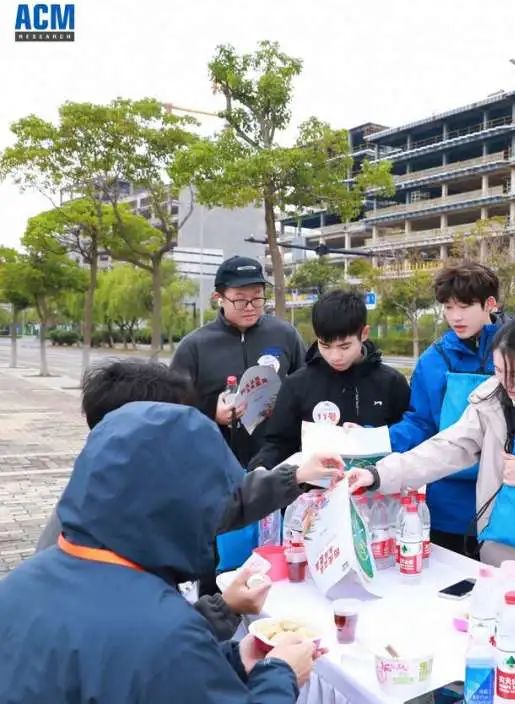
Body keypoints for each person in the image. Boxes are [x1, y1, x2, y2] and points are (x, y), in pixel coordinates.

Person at [0, 402, 320, 703]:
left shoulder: (21, 583)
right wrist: (282, 675)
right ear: (185, 505)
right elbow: (158, 660)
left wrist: (230, 661)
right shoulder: (166, 633)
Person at [33, 359, 345, 641]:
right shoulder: (87, 547)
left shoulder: (127, 486)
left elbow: (217, 505)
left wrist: (295, 476)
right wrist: (226, 609)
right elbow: (151, 645)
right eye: (172, 425)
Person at [353, 316, 515, 565]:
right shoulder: (489, 400)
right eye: (499, 371)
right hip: (505, 545)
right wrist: (378, 475)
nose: (506, 383)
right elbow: (447, 448)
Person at [388, 262, 503, 557]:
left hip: (508, 501)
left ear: (490, 303)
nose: (455, 317)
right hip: (447, 506)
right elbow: (420, 423)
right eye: (449, 307)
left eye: (464, 306)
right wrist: (374, 440)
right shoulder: (432, 360)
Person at [249, 289, 410, 470]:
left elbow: (410, 437)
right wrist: (261, 467)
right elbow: (279, 444)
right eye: (325, 345)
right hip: (315, 485)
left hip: (378, 483)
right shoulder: (297, 384)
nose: (335, 357)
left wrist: (371, 439)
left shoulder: (391, 383)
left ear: (364, 334)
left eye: (344, 346)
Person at [171, 255, 306, 468]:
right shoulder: (194, 346)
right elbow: (172, 404)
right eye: (240, 299)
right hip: (215, 462)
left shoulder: (285, 334)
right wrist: (211, 412)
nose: (250, 307)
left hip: (277, 462)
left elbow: (308, 384)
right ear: (219, 297)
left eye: (257, 297)